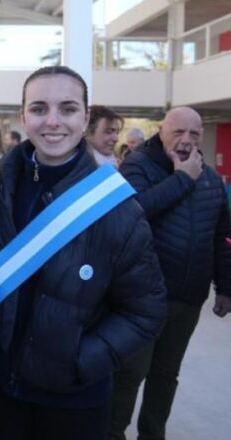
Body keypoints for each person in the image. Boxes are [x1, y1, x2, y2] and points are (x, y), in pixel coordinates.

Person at [0, 66, 167, 440]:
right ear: (23, 117)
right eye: (39, 109)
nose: (52, 121)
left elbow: (145, 310)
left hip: (74, 402)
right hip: (0, 389)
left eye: (67, 109)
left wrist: (81, 362)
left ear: (85, 117)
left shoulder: (117, 208)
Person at [109, 107, 231, 440]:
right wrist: (182, 179)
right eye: (178, 132)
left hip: (188, 298)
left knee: (165, 375)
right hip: (143, 297)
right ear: (161, 132)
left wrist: (225, 286)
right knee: (130, 373)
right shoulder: (138, 164)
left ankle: (153, 434)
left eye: (194, 133)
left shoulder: (209, 176)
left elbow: (221, 236)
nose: (187, 141)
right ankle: (111, 433)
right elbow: (133, 213)